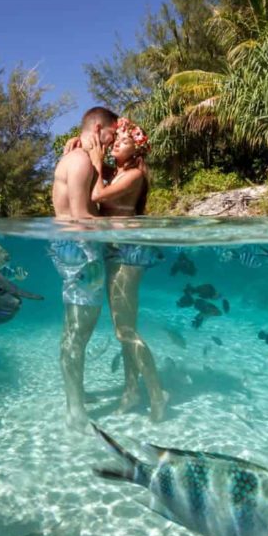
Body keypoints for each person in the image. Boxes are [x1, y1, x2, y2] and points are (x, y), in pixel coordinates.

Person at [69, 117, 168, 421]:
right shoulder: (118, 171)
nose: (115, 145)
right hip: (114, 249)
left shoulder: (135, 175)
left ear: (137, 152)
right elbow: (94, 159)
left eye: (124, 142)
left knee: (126, 329)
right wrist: (78, 146)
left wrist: (97, 163)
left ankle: (156, 395)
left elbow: (97, 195)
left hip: (129, 251)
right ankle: (131, 391)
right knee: (122, 329)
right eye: (116, 140)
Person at [50, 106, 118, 431]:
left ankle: (76, 395)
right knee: (78, 335)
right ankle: (74, 408)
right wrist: (123, 228)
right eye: (112, 134)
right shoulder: (78, 160)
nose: (114, 140)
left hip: (72, 249)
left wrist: (98, 165)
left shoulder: (82, 158)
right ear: (98, 127)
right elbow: (81, 217)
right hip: (79, 250)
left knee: (75, 332)